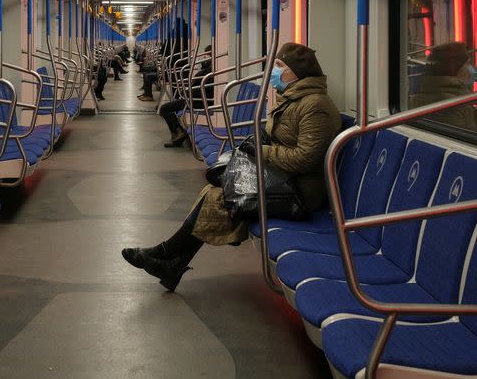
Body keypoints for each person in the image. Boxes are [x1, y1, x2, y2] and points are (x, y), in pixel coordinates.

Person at [122, 43, 342, 291]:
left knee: (218, 199)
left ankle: (166, 254)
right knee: (212, 193)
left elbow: (305, 158)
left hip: (301, 192)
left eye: (280, 66)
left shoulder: (315, 106)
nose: (274, 72)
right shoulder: (292, 99)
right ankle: (170, 262)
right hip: (281, 178)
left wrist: (262, 150)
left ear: (296, 73)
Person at [410, 42, 477, 132]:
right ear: (455, 68)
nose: (471, 68)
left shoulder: (416, 99)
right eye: (467, 64)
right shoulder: (458, 104)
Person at [161, 45, 214, 147]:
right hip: (194, 98)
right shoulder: (207, 69)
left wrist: (186, 94)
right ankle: (178, 134)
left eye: (206, 55)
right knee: (170, 106)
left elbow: (202, 89)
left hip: (198, 100)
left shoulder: (209, 72)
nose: (204, 58)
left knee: (165, 109)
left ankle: (179, 133)